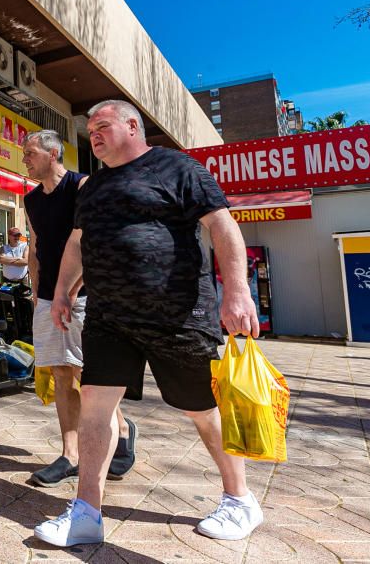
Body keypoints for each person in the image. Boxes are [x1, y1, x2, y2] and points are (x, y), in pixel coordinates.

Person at [34, 100, 263, 548]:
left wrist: (236, 289)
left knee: (200, 408)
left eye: (103, 126)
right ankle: (86, 512)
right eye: (90, 128)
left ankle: (239, 499)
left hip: (174, 312)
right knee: (96, 407)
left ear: (133, 126)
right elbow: (78, 244)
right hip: (109, 315)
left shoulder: (176, 167)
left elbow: (221, 225)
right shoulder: (92, 187)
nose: (94, 134)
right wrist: (62, 291)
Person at [21, 129, 135, 488]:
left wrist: (68, 291)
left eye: (30, 153)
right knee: (60, 374)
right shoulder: (31, 199)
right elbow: (36, 247)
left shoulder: (82, 186)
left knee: (90, 374)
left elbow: (92, 239)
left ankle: (121, 426)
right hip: (47, 299)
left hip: (83, 296)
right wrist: (38, 292)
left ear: (53, 154)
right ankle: (70, 453)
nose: (24, 160)